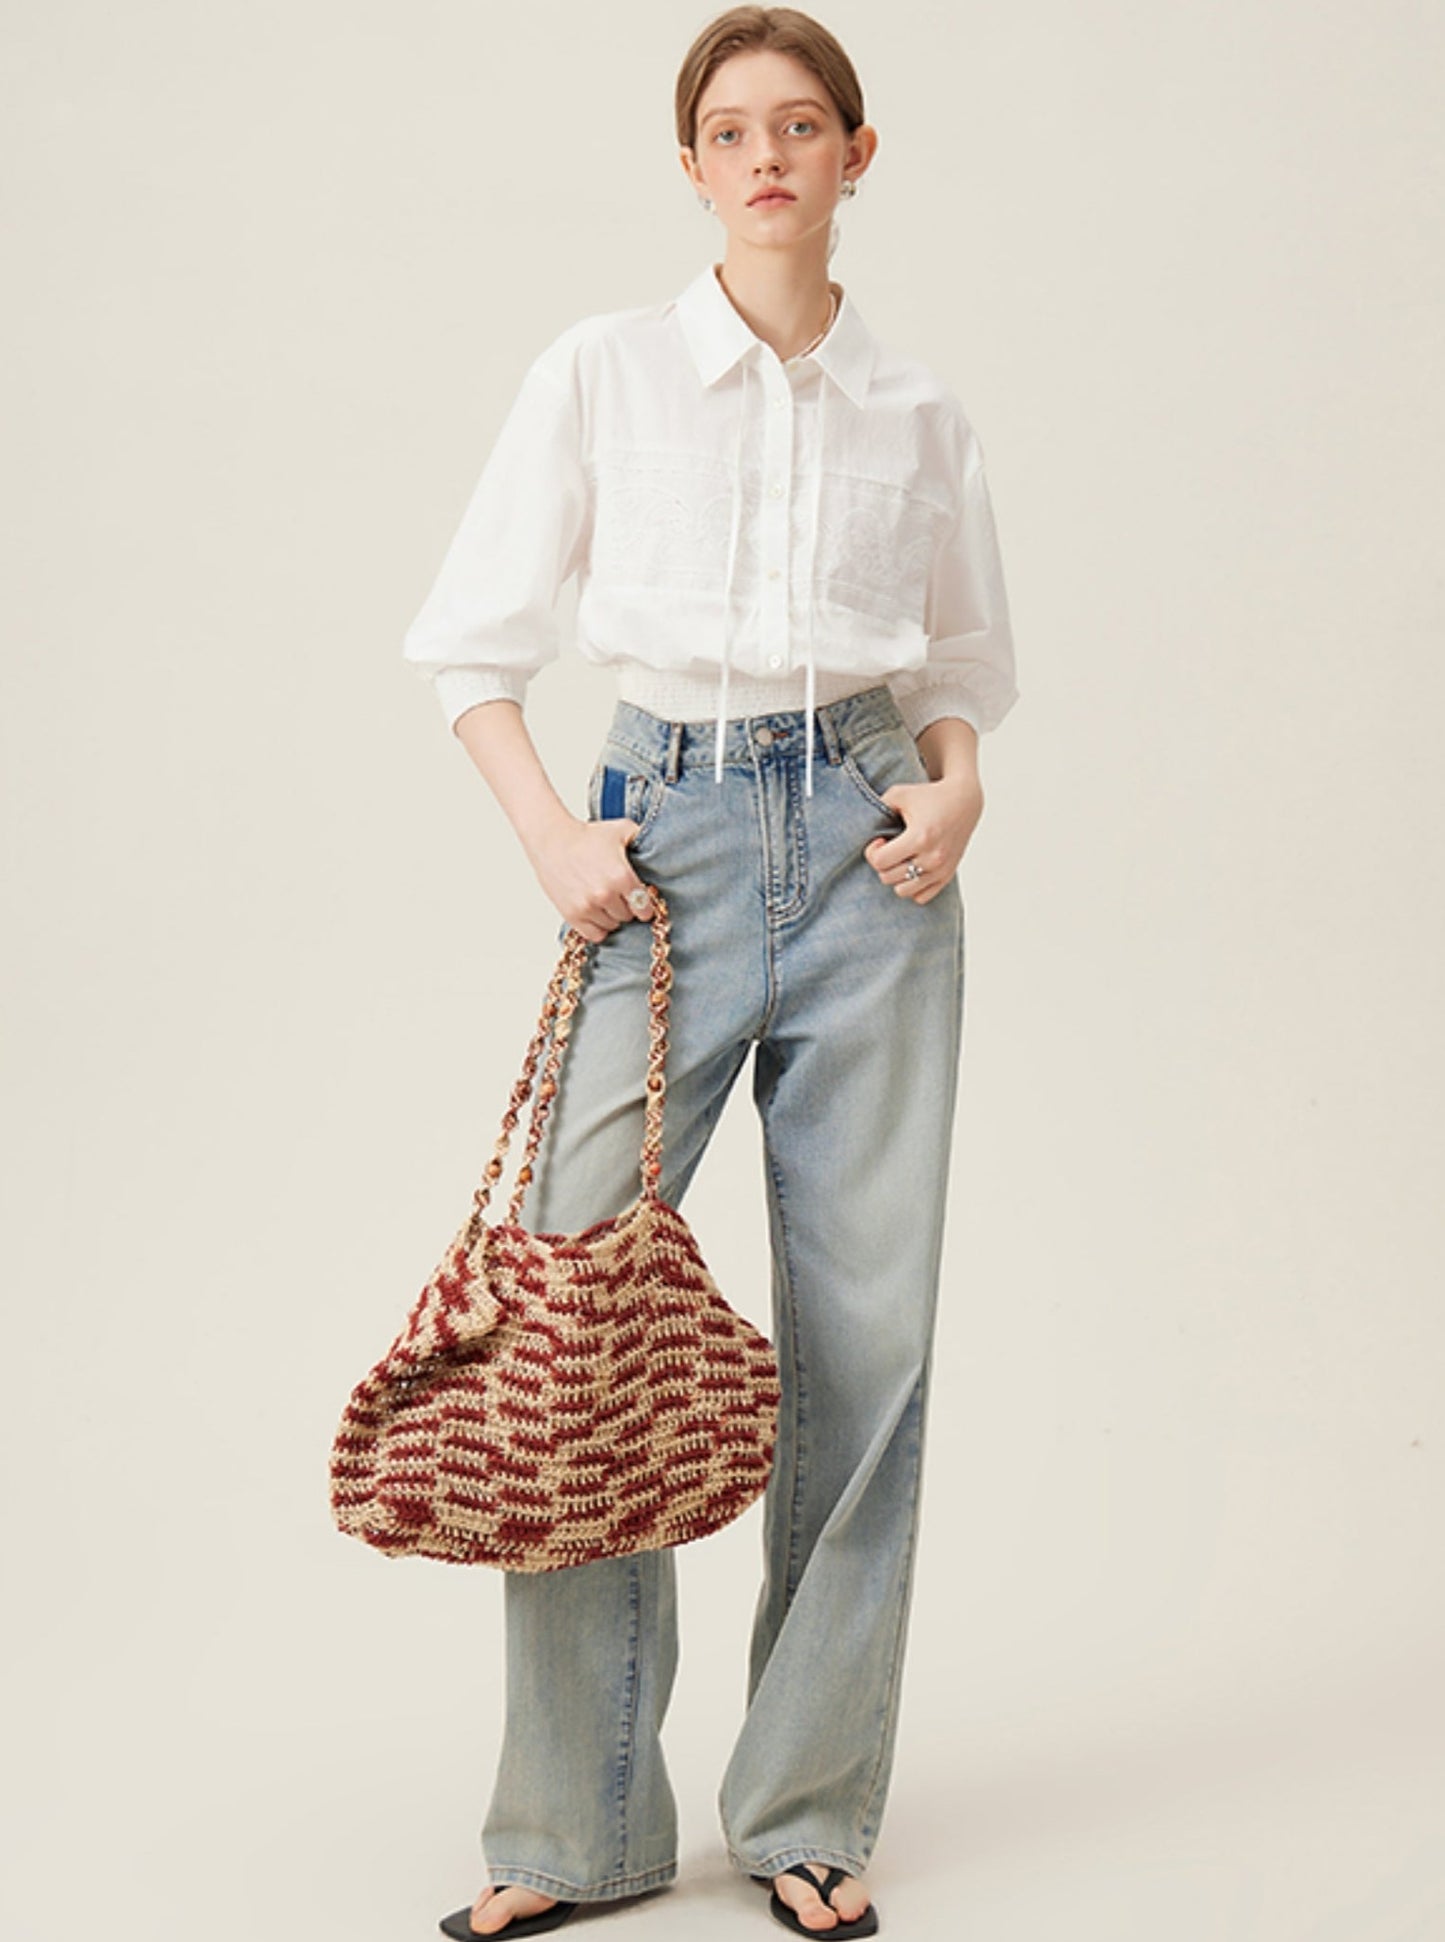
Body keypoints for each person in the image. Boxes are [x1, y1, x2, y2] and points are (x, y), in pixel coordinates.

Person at [401, 9, 1018, 1936]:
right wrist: (554, 838)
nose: (766, 157)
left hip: (868, 848)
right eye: (731, 131)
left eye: (800, 126)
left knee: (867, 1339)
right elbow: (472, 646)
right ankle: (572, 1827)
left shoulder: (918, 411)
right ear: (689, 167)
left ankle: (809, 1805)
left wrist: (958, 790)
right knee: (578, 1318)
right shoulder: (599, 370)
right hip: (656, 842)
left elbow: (959, 672)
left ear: (855, 155)